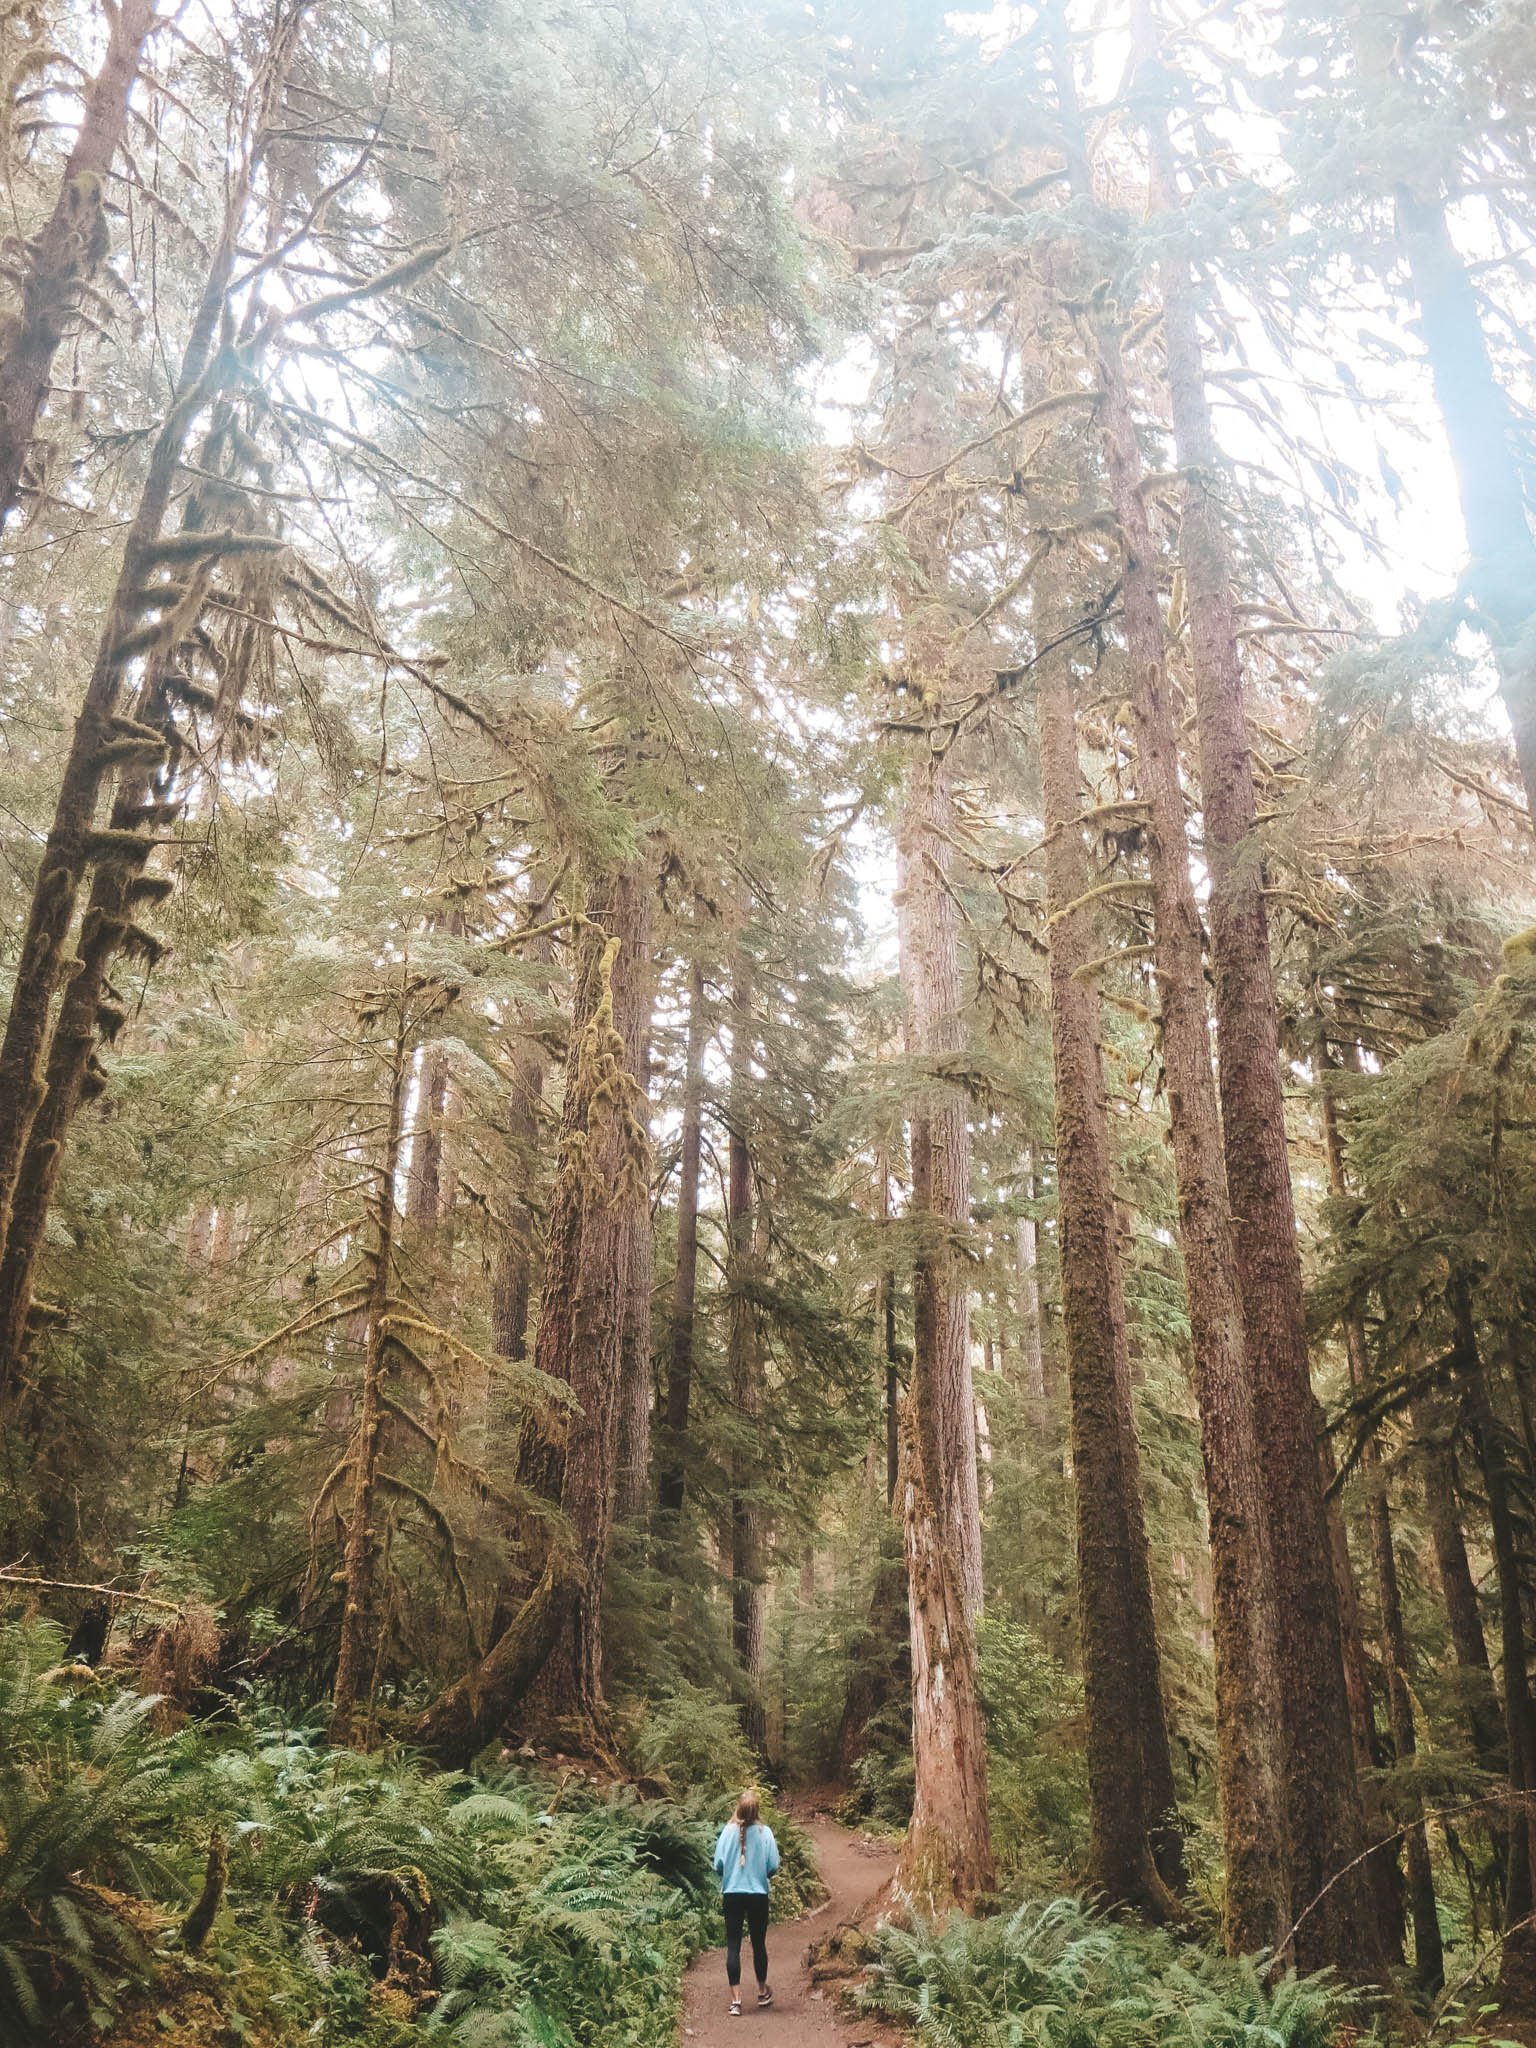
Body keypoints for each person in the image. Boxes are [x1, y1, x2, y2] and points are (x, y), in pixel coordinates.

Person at [713, 1787, 779, 2016]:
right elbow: (773, 1866)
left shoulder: (727, 1832)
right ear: (757, 1811)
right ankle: (761, 1991)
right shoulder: (766, 1833)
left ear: (738, 1809)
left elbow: (717, 1865)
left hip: (732, 1894)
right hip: (758, 1895)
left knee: (733, 1944)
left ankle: (736, 2000)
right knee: (759, 1944)